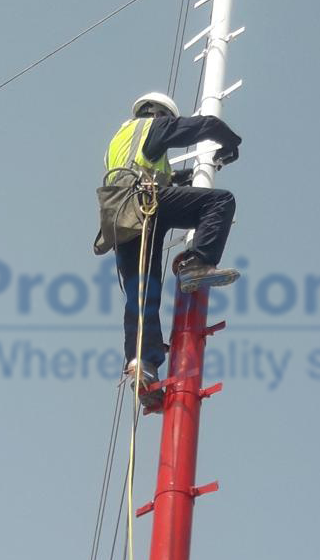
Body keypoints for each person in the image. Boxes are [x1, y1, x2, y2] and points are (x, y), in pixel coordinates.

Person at [95, 90, 242, 395]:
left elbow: (149, 174)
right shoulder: (153, 126)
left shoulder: (121, 138)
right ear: (159, 113)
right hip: (146, 204)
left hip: (121, 220)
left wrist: (187, 176)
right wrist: (230, 142)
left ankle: (142, 366)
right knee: (219, 202)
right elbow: (204, 126)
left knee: (142, 293)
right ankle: (196, 263)